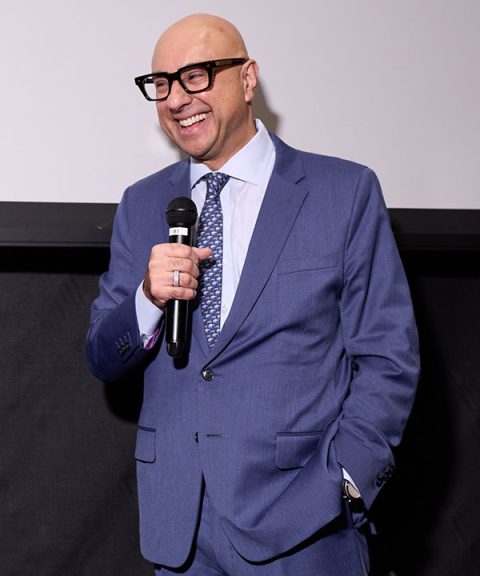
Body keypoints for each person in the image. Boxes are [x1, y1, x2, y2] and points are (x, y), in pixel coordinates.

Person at [86, 14, 418, 575]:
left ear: (247, 78)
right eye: (161, 83)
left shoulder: (343, 191)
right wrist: (147, 296)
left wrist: (348, 482)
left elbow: (388, 358)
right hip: (180, 530)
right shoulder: (143, 204)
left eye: (195, 75)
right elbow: (101, 354)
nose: (175, 99)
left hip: (304, 526)